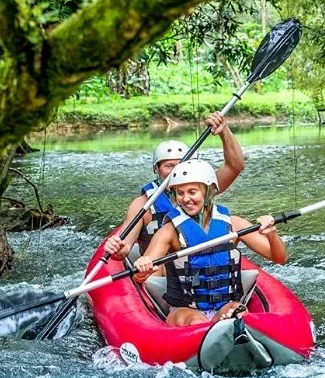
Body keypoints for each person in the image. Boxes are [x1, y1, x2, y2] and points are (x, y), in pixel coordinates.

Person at [132, 159, 287, 327]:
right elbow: (140, 275)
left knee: (238, 311)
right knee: (197, 321)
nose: (186, 199)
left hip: (224, 305)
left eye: (192, 192)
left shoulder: (233, 225)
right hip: (185, 310)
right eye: (180, 193)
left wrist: (272, 235)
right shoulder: (169, 231)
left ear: (208, 192)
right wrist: (143, 266)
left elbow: (279, 258)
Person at [104, 112, 245, 260]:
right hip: (159, 274)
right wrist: (118, 248)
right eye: (169, 166)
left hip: (201, 265)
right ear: (156, 169)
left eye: (180, 165)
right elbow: (124, 248)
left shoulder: (202, 190)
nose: (176, 171)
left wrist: (224, 131)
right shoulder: (142, 205)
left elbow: (235, 166)